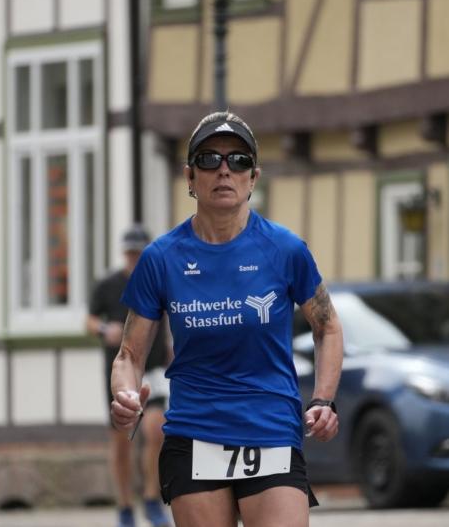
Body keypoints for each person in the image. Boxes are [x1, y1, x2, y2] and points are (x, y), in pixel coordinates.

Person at [110, 111, 344, 527]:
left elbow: (327, 326)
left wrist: (323, 400)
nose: (224, 170)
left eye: (238, 161)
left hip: (270, 429)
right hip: (194, 433)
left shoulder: (285, 250)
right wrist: (126, 394)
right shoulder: (160, 258)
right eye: (208, 160)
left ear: (253, 178)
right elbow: (130, 354)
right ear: (189, 177)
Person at [87, 224, 172, 527]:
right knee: (123, 440)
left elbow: (168, 318)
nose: (135, 258)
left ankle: (151, 498)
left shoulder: (159, 282)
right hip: (121, 373)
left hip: (155, 369)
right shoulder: (108, 285)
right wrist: (103, 329)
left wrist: (172, 348)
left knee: (156, 429)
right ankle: (125, 505)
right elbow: (89, 320)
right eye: (131, 253)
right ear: (125, 254)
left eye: (140, 253)